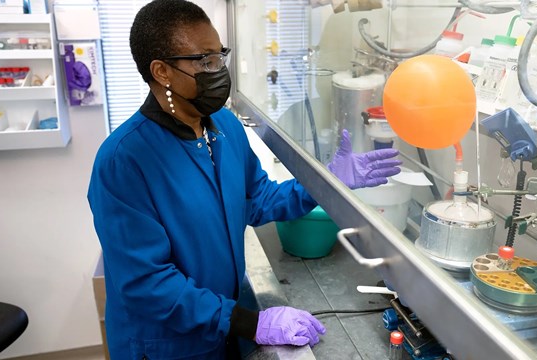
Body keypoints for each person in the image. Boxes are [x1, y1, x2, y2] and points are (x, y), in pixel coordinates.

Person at [87, 1, 401, 359]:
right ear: (162, 71)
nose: (219, 70)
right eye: (205, 62)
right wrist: (253, 324)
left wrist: (325, 183)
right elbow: (148, 285)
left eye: (220, 56)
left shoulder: (225, 127)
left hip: (218, 332)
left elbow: (258, 199)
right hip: (165, 345)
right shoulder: (123, 162)